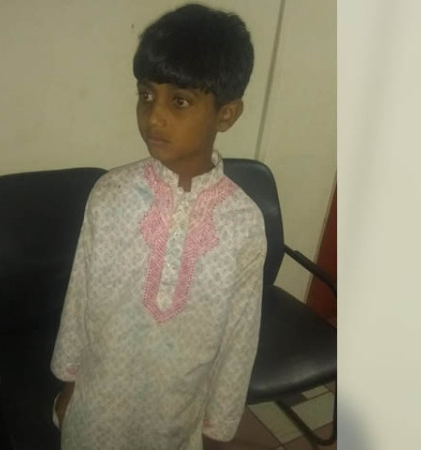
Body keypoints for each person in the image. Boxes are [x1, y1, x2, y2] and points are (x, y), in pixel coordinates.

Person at [51, 3, 266, 449]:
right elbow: (79, 297)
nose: (154, 116)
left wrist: (217, 427)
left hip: (175, 416)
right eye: (146, 95)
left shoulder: (244, 223)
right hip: (97, 406)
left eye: (179, 101)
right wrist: (68, 385)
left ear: (226, 114)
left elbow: (240, 337)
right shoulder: (110, 195)